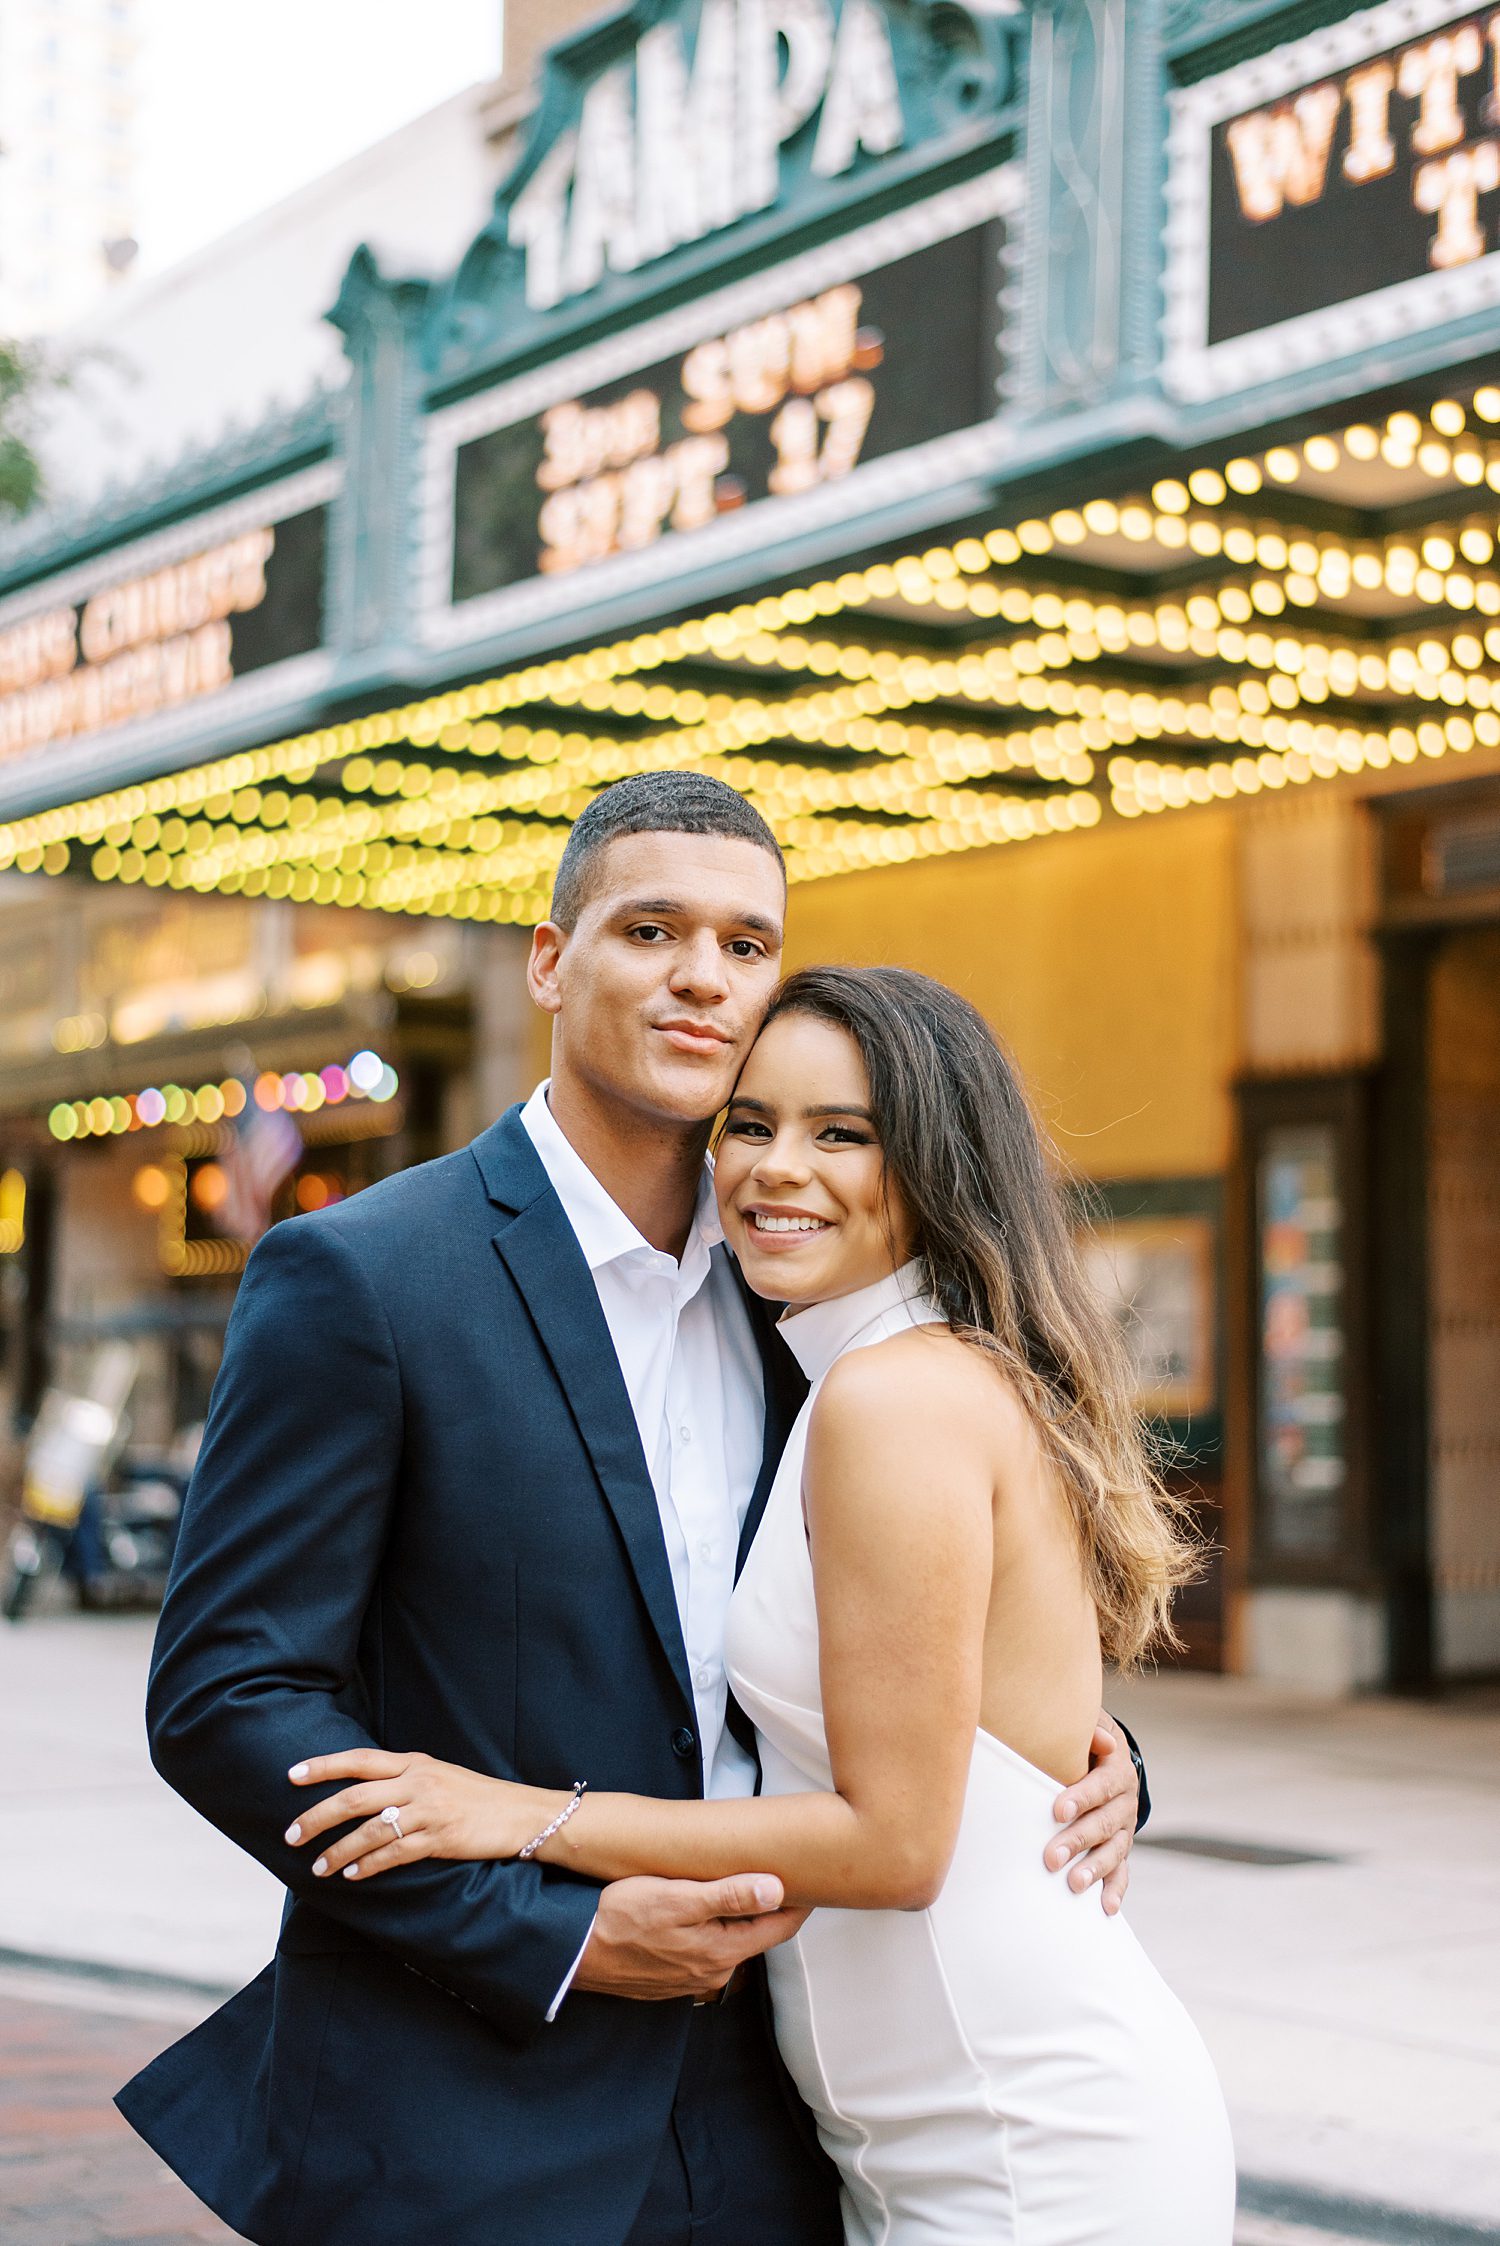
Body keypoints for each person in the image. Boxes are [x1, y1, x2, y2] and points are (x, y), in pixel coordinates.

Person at [118, 775, 1150, 2246]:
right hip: (465, 2110)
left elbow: (942, 1609)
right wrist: (562, 1934)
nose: (702, 977)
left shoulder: (814, 1296)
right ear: (550, 960)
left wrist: (1096, 1765)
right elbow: (226, 1697)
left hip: (779, 2116)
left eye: (746, 943)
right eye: (652, 927)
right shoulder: (365, 1278)